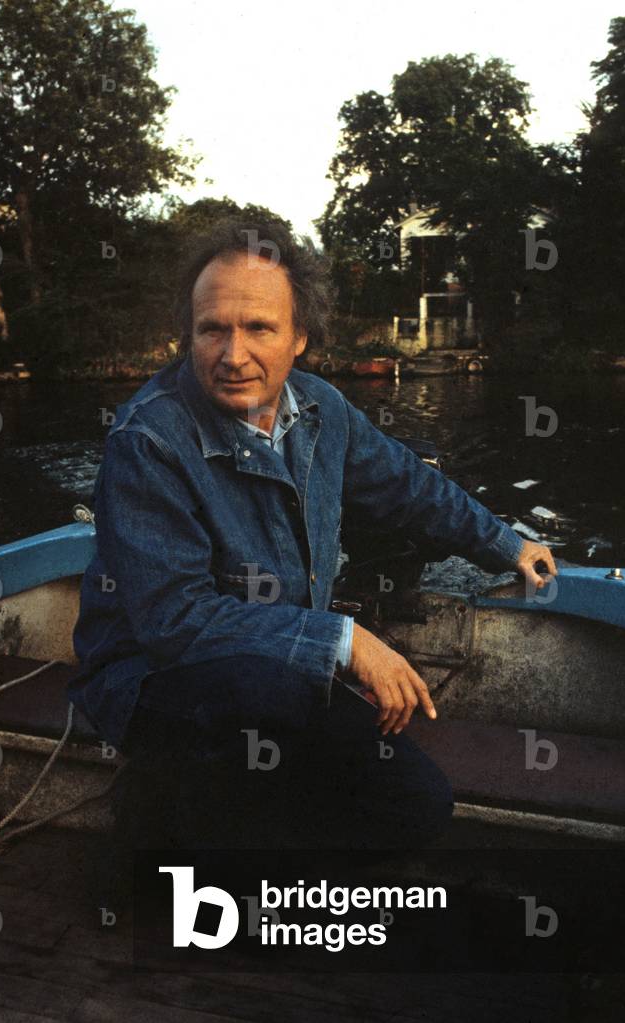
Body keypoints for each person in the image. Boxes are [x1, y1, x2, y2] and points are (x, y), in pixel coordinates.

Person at [67, 218, 557, 861]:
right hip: (152, 684)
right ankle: (172, 838)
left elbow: (409, 486)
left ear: (300, 337)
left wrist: (506, 545)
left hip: (277, 670)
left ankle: (210, 842)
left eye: (258, 328)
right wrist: (344, 641)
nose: (232, 354)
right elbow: (174, 622)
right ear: (189, 335)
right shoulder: (148, 440)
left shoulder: (322, 408)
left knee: (416, 802)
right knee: (266, 700)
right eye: (212, 328)